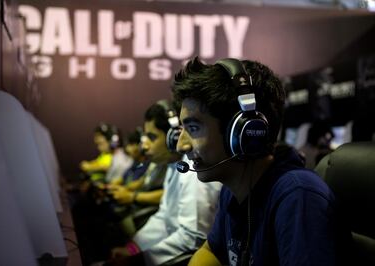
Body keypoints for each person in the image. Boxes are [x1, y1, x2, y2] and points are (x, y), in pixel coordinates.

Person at [172, 57, 351, 266]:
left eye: (193, 129)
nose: (180, 146)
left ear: (245, 133)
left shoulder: (299, 196)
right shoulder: (234, 187)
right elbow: (211, 251)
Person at [108, 100, 222, 266]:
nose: (144, 145)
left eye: (152, 137)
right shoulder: (173, 165)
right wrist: (133, 248)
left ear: (172, 136)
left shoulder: (193, 170)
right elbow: (164, 218)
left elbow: (193, 238)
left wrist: (140, 260)